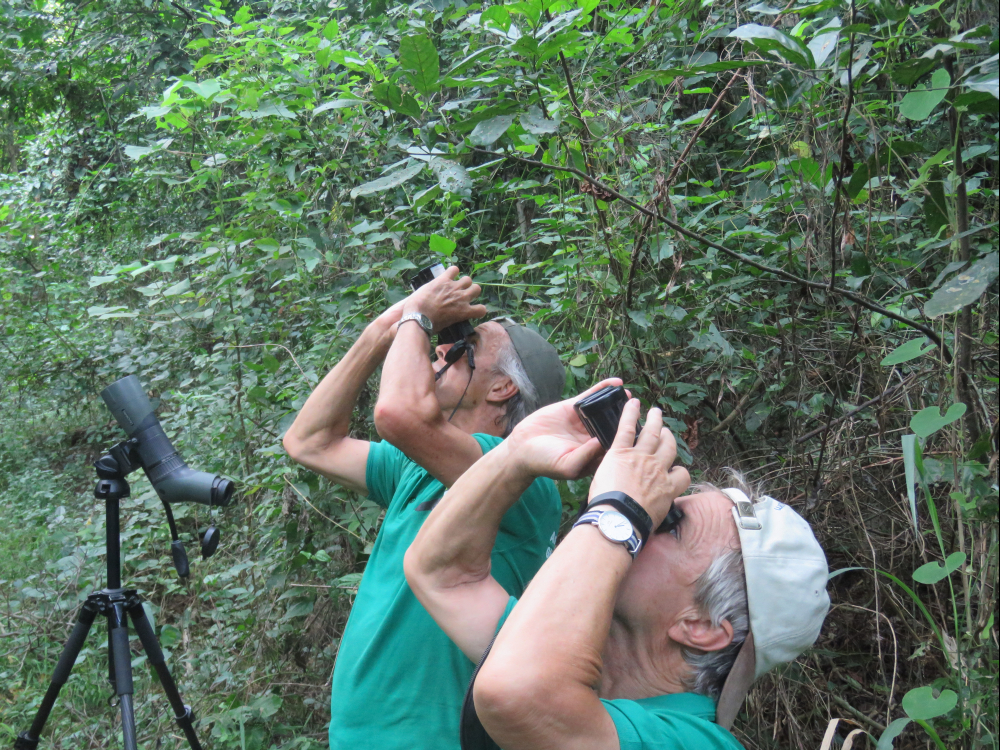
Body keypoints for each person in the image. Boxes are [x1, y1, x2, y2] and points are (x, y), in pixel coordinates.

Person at [405, 380, 831, 750]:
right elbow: (444, 575)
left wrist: (620, 510)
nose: (648, 518)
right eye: (658, 508)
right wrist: (516, 453)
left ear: (700, 626)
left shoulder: (694, 742)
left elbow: (516, 695)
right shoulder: (568, 660)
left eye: (669, 524)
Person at [282, 266, 567, 750]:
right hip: (357, 737)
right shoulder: (416, 468)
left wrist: (416, 316)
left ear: (501, 388)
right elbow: (308, 441)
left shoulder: (523, 478)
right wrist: (383, 329)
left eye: (463, 348)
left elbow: (397, 414)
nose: (439, 350)